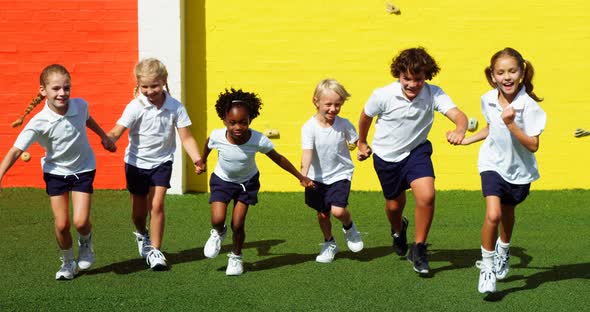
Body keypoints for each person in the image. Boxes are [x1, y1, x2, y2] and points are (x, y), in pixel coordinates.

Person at [357, 47, 467, 275]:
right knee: (394, 206)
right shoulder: (383, 95)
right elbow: (366, 116)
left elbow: (458, 115)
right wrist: (362, 142)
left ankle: (418, 249)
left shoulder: (434, 93)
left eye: (418, 79)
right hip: (386, 157)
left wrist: (460, 128)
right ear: (399, 75)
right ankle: (398, 230)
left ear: (426, 76)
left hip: (416, 152)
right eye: (407, 78)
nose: (412, 84)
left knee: (427, 195)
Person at [0, 64, 116, 280]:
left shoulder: (80, 105)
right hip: (55, 173)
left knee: (80, 222)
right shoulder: (38, 122)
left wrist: (104, 136)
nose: (62, 93)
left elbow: (87, 119)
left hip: (83, 168)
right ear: (43, 91)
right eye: (56, 89)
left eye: (66, 88)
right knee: (62, 225)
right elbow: (16, 151)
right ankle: (67, 263)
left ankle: (86, 242)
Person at [198, 88, 313, 276]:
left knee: (238, 224)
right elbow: (208, 143)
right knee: (217, 219)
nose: (238, 127)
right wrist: (202, 160)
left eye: (243, 122)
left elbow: (279, 158)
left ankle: (236, 257)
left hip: (247, 183)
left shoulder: (258, 139)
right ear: (224, 120)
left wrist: (301, 177)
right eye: (232, 122)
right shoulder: (218, 135)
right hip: (222, 180)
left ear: (250, 120)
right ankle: (218, 232)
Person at [461, 48, 546, 293]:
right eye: (501, 72)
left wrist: (511, 124)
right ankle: (487, 267)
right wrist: (469, 140)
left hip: (519, 171)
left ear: (521, 73)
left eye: (512, 71)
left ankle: (504, 249)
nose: (506, 77)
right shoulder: (487, 98)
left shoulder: (529, 107)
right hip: (492, 164)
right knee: (494, 214)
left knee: (508, 213)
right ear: (492, 76)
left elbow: (533, 145)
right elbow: (491, 127)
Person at [107, 58, 203, 271]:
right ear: (139, 85)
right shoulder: (135, 107)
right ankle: (142, 234)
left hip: (162, 162)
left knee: (157, 205)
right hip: (135, 163)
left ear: (164, 82)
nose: (150, 91)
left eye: (155, 86)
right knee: (138, 214)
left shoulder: (175, 107)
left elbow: (186, 138)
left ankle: (155, 251)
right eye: (145, 87)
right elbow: (118, 129)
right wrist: (110, 139)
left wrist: (197, 158)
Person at [301, 79, 363, 263]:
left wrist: (361, 149)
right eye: (328, 104)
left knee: (337, 211)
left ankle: (349, 227)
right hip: (316, 177)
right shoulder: (308, 127)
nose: (333, 109)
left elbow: (357, 141)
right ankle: (329, 243)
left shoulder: (343, 124)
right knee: (322, 213)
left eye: (338, 104)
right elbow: (307, 153)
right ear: (316, 101)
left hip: (340, 174)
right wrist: (303, 174)